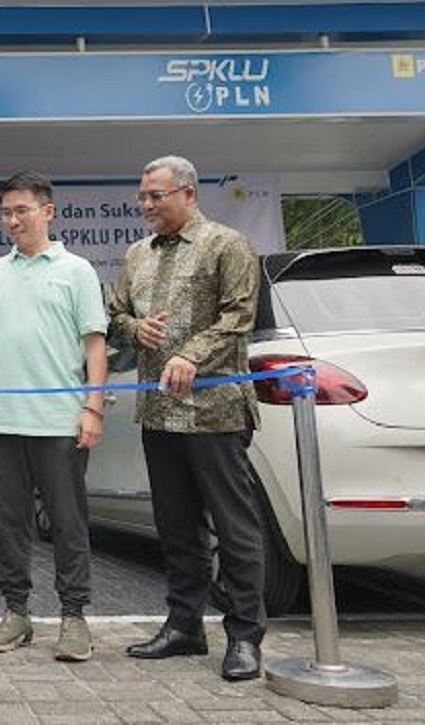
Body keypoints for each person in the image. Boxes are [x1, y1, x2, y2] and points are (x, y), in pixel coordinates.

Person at [107, 154, 266, 682]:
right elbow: (115, 314)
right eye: (142, 197)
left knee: (235, 528)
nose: (146, 205)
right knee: (176, 527)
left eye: (156, 196)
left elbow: (238, 317)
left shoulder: (227, 244)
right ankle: (184, 627)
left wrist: (189, 355)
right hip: (159, 413)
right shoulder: (137, 254)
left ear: (188, 194)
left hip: (215, 415)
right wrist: (135, 330)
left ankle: (244, 636)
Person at [0, 171, 108, 663]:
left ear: (48, 212)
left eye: (22, 210)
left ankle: (74, 617)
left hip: (59, 421)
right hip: (0, 421)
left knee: (67, 522)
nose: (13, 220)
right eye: (6, 212)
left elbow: (94, 344)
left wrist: (92, 407)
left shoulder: (77, 270)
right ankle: (16, 613)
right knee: (9, 522)